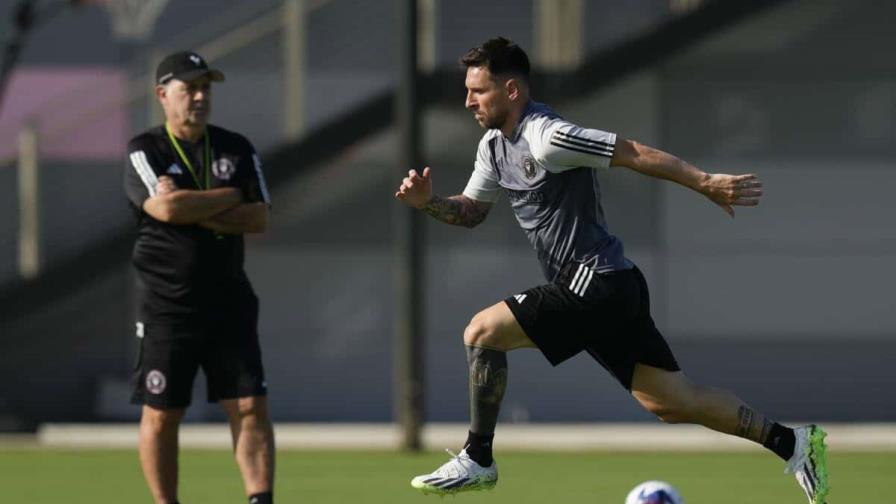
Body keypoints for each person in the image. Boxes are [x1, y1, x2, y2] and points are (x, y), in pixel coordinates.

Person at [395, 37, 828, 504]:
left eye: (478, 91)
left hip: (596, 280)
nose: (468, 101)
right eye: (468, 91)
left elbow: (632, 151)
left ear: (513, 90)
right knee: (671, 401)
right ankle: (793, 442)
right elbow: (473, 211)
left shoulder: (548, 136)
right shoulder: (493, 147)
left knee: (482, 331)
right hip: (608, 286)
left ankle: (478, 457)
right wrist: (429, 203)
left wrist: (706, 182)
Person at [123, 51, 274, 504]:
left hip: (229, 299)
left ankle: (260, 500)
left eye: (206, 87)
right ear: (162, 95)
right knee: (163, 414)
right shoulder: (144, 149)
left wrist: (195, 204)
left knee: (249, 406)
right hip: (167, 305)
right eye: (189, 87)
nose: (200, 96)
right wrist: (229, 199)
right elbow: (163, 209)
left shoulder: (236, 147)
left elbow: (259, 217)